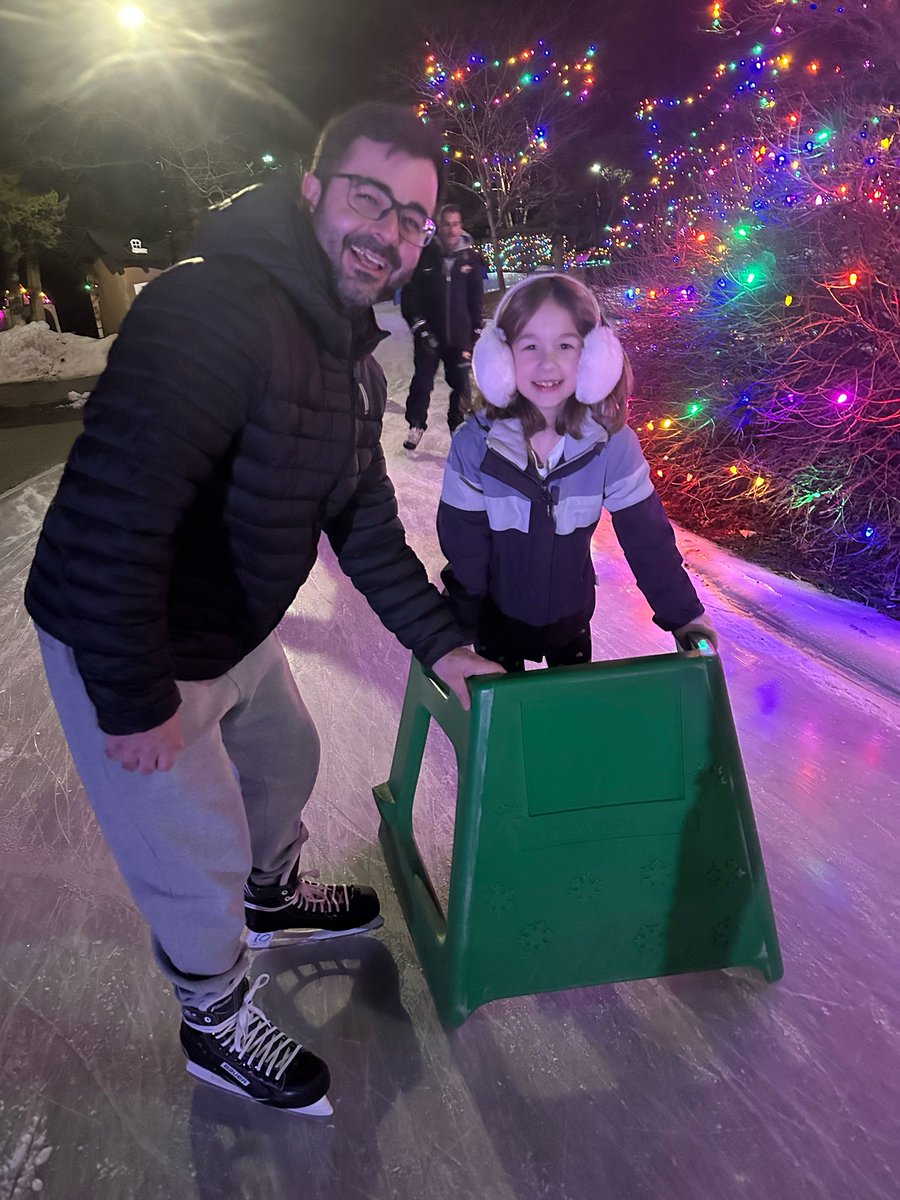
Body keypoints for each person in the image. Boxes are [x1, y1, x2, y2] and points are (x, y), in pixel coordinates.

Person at [24, 103, 500, 1118]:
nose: (389, 230)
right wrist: (136, 701)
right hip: (129, 633)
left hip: (229, 621)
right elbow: (115, 523)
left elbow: (365, 527)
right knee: (193, 848)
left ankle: (273, 892)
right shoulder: (211, 312)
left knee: (286, 760)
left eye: (412, 217)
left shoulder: (345, 357)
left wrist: (449, 650)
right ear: (313, 192)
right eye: (368, 197)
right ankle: (211, 1014)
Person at [437, 273, 718, 672]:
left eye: (565, 345)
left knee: (569, 724)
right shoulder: (474, 447)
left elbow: (647, 538)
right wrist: (455, 633)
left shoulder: (612, 446)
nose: (546, 362)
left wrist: (683, 614)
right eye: (529, 345)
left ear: (592, 358)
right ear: (501, 358)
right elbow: (465, 549)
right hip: (494, 623)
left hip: (570, 623)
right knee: (505, 730)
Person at [400, 203, 484, 449]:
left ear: (461, 226)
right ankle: (416, 424)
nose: (451, 229)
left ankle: (457, 427)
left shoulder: (470, 258)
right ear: (439, 226)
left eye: (455, 224)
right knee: (422, 381)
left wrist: (475, 330)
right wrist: (420, 327)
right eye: (446, 224)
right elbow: (410, 295)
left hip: (459, 336)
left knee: (461, 384)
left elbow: (476, 298)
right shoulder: (425, 255)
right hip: (430, 335)